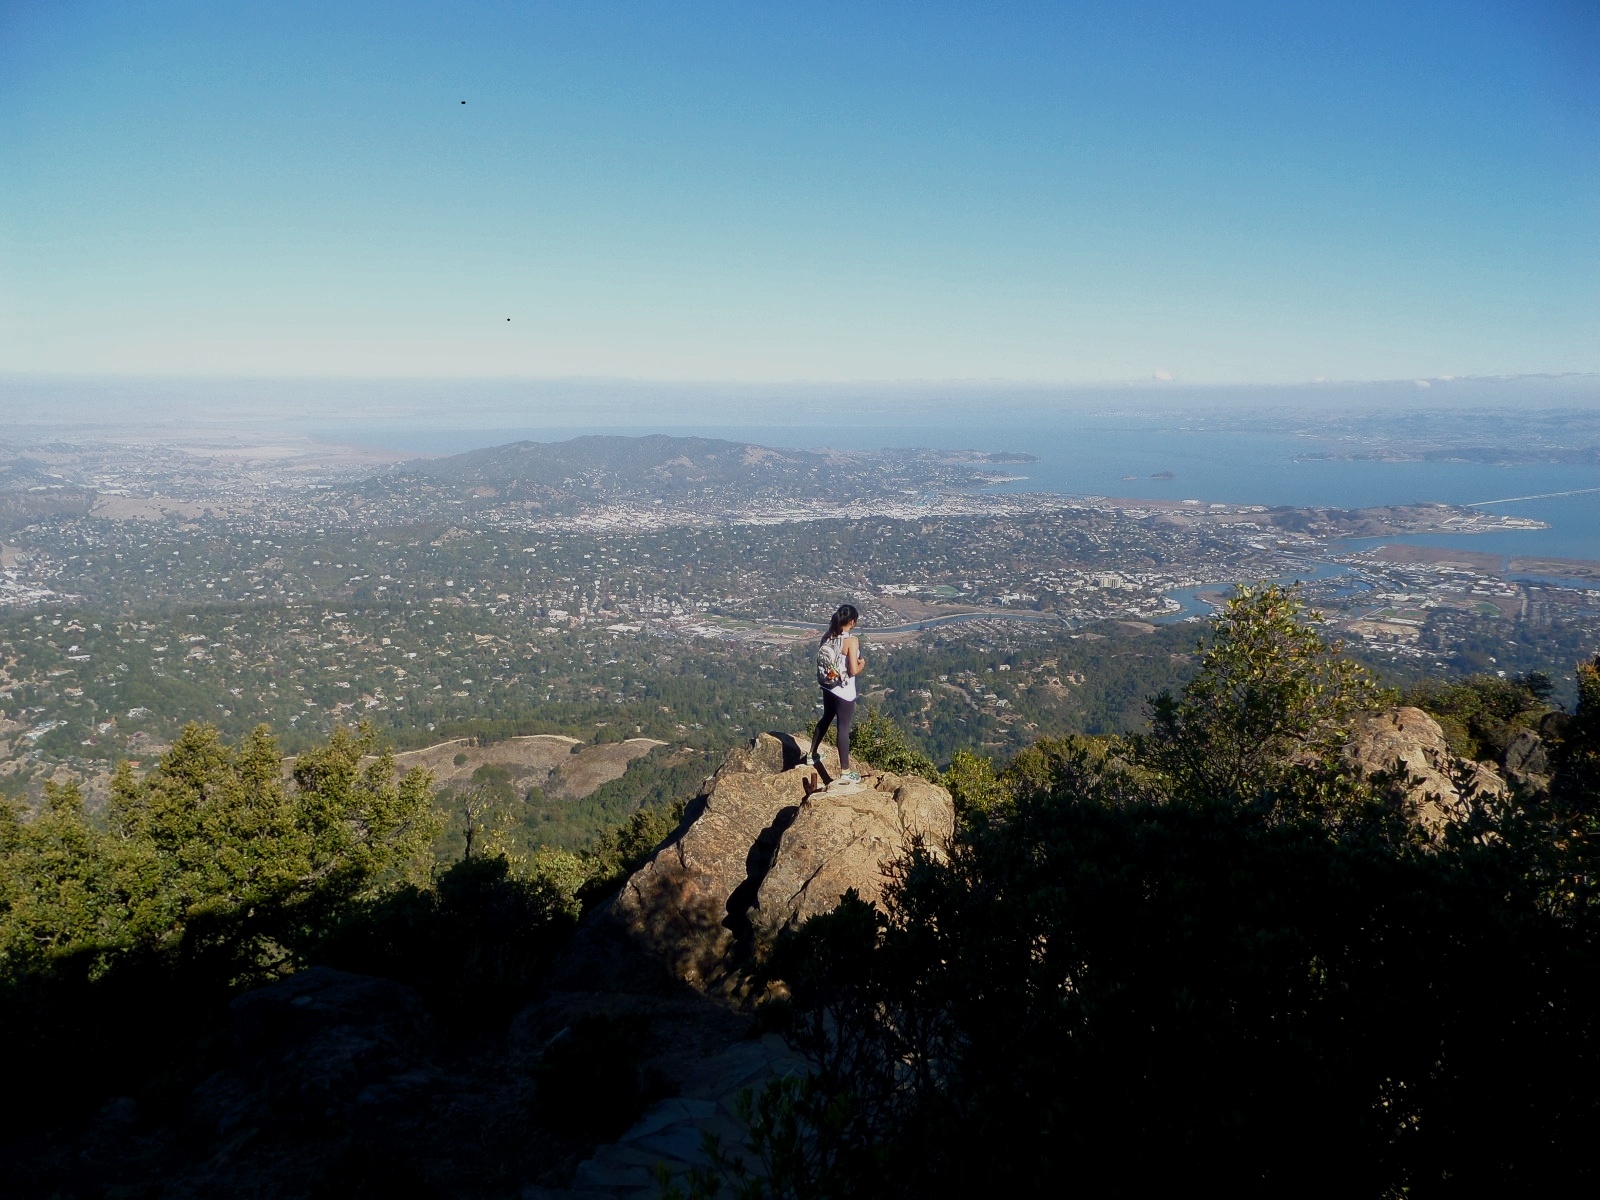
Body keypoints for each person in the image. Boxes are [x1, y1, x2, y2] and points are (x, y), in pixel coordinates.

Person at [807, 603, 866, 785]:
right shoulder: (851, 641)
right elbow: (853, 670)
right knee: (843, 728)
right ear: (853, 622)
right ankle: (845, 772)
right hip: (843, 690)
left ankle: (812, 754)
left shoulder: (828, 636)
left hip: (828, 685)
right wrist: (862, 663)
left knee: (826, 717)